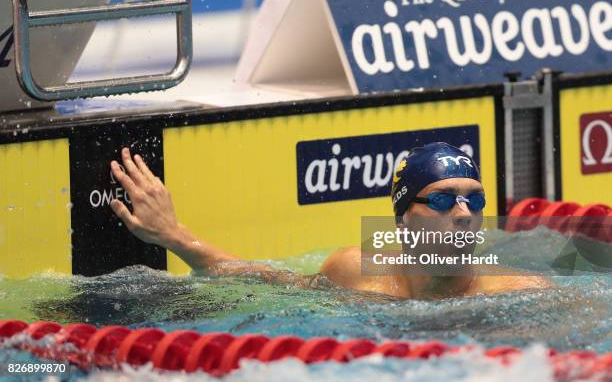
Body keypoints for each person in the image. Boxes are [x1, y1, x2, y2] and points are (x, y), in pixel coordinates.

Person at [109, 143, 551, 300]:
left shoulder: (519, 293)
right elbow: (261, 279)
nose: (464, 215)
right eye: (441, 201)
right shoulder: (354, 273)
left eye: (475, 201)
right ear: (401, 221)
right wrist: (174, 235)